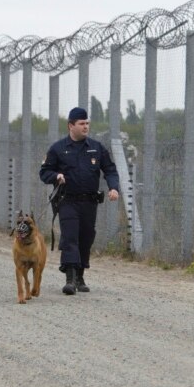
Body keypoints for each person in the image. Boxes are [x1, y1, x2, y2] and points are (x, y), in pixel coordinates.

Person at [40, 107, 120, 295]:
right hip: (67, 201)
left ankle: (80, 276)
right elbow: (44, 172)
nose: (86, 127)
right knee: (70, 237)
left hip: (89, 202)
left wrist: (114, 187)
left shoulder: (96, 148)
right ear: (71, 126)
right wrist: (56, 175)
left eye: (87, 123)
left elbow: (109, 169)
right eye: (82, 124)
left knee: (85, 238)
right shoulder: (58, 149)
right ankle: (69, 279)